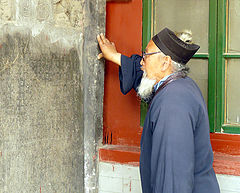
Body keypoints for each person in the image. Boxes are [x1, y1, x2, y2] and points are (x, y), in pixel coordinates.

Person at [97, 27, 220, 193]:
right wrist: (114, 56)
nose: (141, 61)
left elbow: (173, 176)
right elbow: (142, 76)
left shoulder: (173, 104)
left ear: (165, 62)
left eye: (145, 55)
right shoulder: (180, 84)